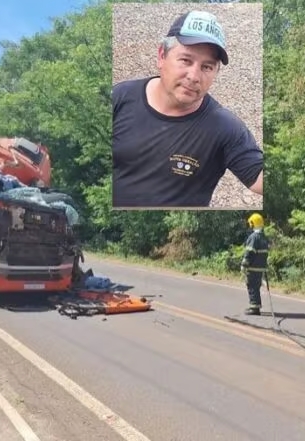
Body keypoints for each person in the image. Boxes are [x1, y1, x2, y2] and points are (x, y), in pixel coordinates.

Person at [111, 9, 264, 208]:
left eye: (207, 67)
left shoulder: (225, 128)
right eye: (185, 60)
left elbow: (263, 178)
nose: (194, 76)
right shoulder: (119, 99)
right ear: (161, 56)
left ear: (216, 72)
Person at [240, 212, 269, 315]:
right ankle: (256, 305)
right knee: (256, 287)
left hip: (253, 267)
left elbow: (249, 252)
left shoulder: (254, 237)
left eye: (250, 224)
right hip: (261, 268)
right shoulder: (263, 237)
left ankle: (254, 308)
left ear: (253, 223)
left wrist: (244, 265)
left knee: (252, 286)